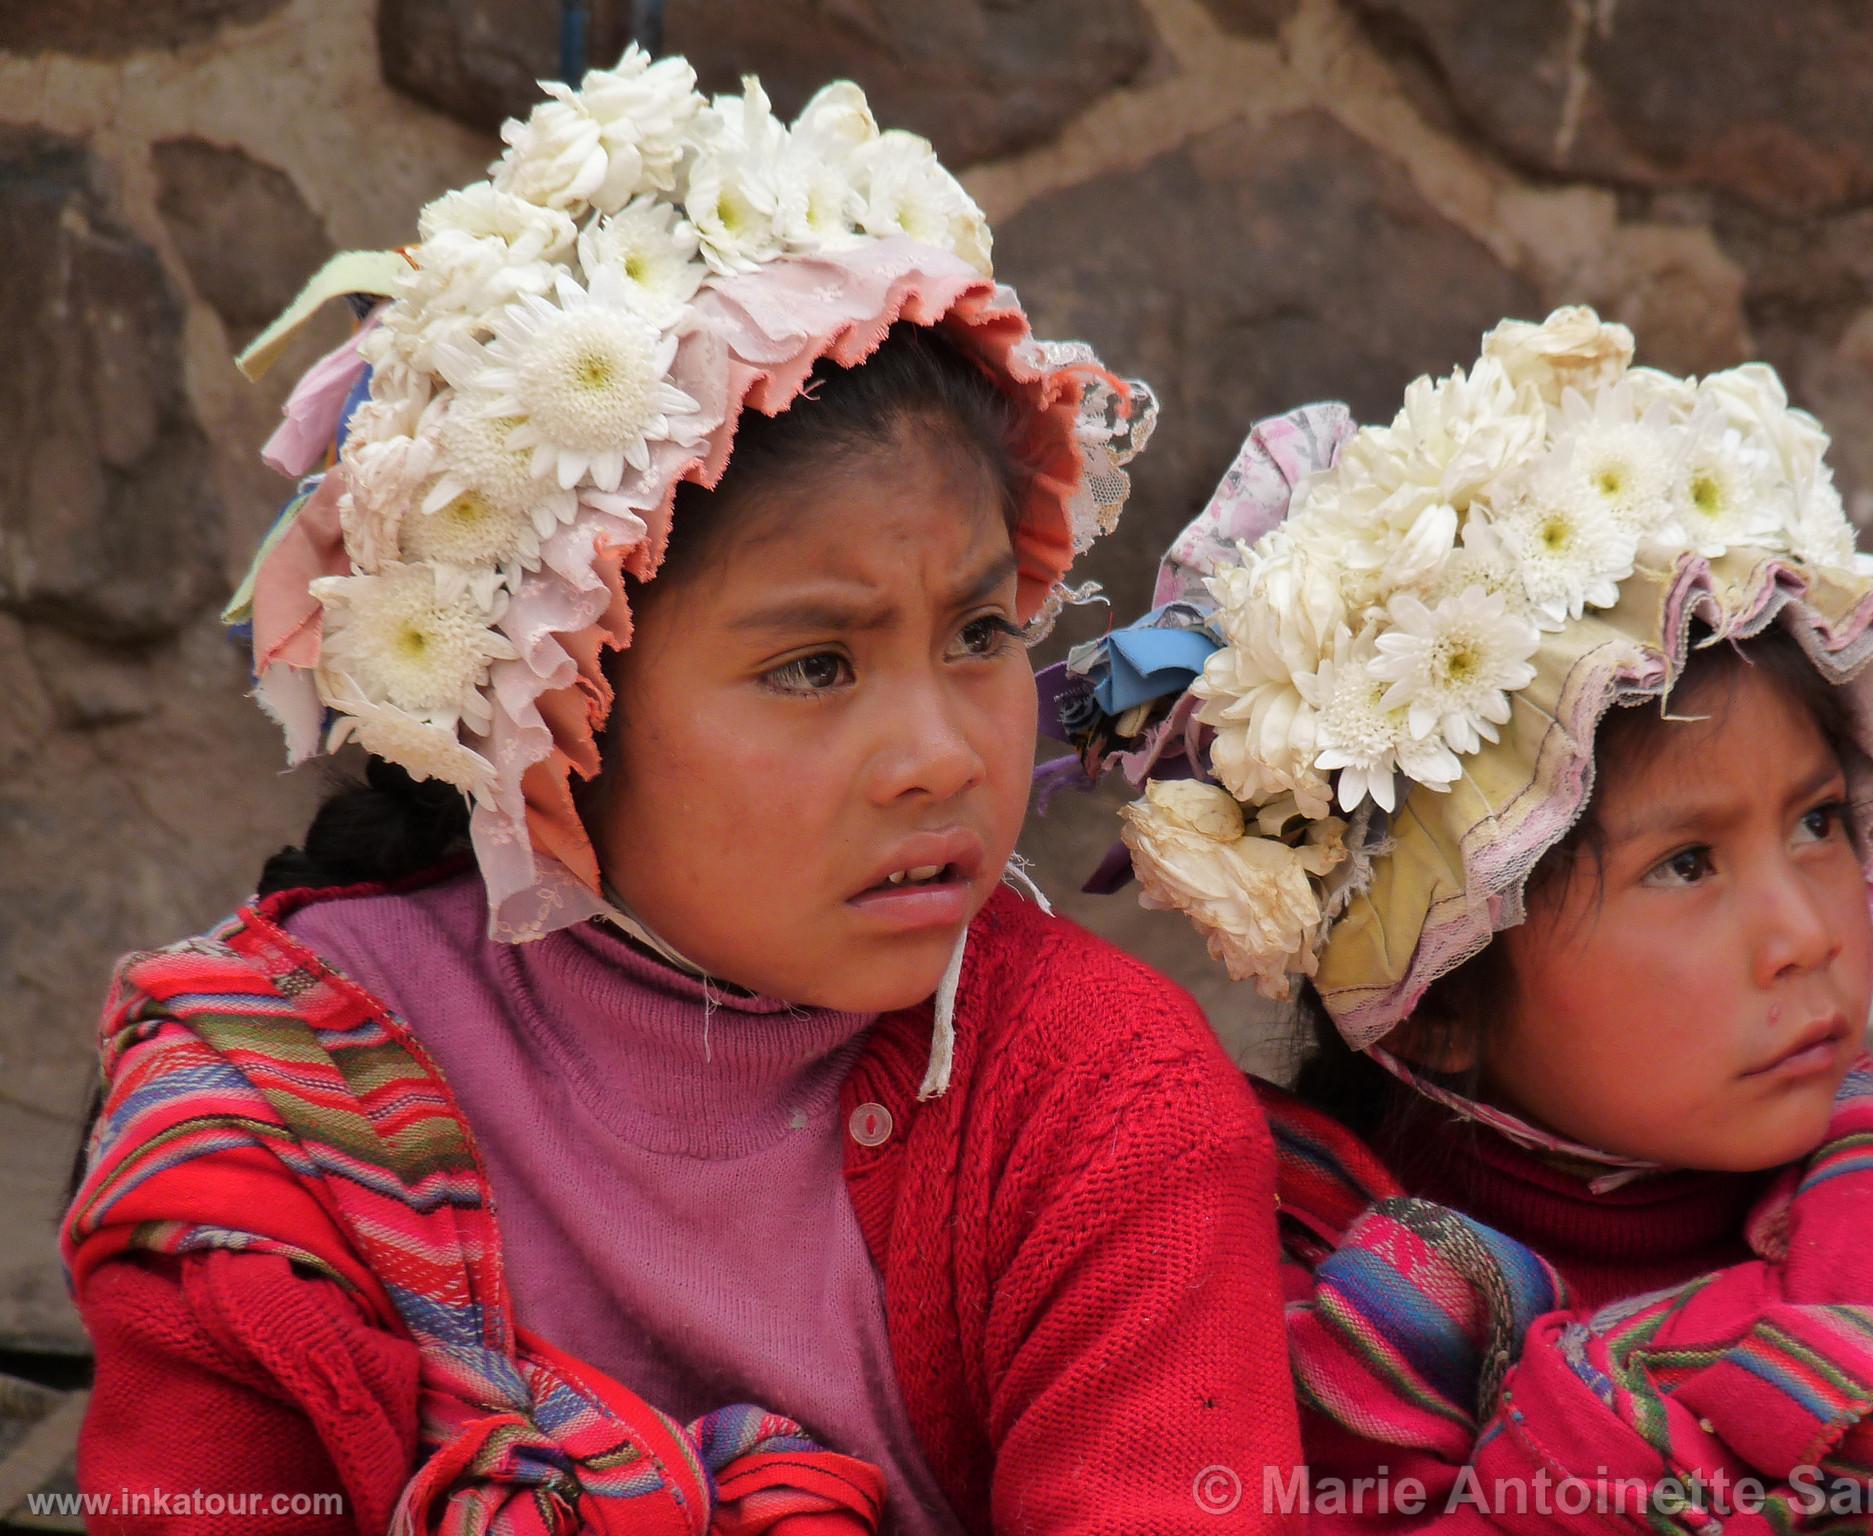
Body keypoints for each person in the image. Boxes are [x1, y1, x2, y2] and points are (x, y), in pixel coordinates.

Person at [63, 48, 1303, 1535]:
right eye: (815, 666)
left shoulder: (1105, 1109)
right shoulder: (285, 1116)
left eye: (980, 634)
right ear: (558, 708)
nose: (946, 754)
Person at [1044, 308, 1873, 1531]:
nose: (1806, 933)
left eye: (1818, 823)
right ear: (1440, 1000)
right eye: (1684, 866)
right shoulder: (1270, 1320)